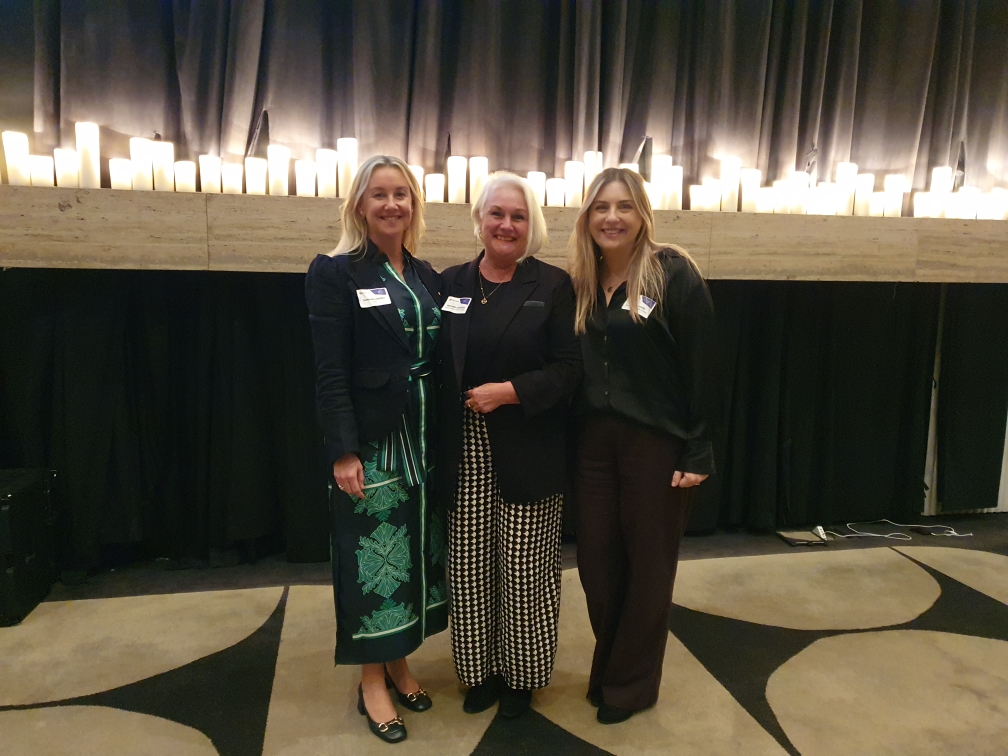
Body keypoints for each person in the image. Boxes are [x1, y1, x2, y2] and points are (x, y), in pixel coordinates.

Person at [568, 167, 718, 724]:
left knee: (650, 568)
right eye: (602, 207)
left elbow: (703, 369)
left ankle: (629, 686)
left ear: (642, 215)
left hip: (655, 444)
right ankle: (610, 668)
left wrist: (698, 449)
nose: (612, 217)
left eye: (624, 206)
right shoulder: (580, 281)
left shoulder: (673, 274)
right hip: (592, 447)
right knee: (598, 567)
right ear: (587, 217)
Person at [305, 154, 446, 744]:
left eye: (402, 195)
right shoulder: (336, 272)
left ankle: (400, 661)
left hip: (424, 446)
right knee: (374, 566)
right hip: (374, 448)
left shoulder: (426, 274)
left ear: (414, 205)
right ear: (359, 204)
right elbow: (330, 371)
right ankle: (371, 680)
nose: (392, 204)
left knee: (412, 561)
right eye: (379, 194)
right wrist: (344, 450)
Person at [436, 171, 582, 719]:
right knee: (469, 565)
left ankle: (521, 678)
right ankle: (478, 673)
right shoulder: (448, 283)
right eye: (496, 213)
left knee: (526, 568)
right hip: (462, 447)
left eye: (518, 216)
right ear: (479, 219)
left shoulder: (552, 285)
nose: (506, 224)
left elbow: (571, 371)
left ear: (531, 225)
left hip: (528, 444)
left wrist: (512, 392)